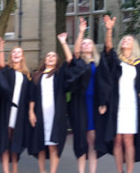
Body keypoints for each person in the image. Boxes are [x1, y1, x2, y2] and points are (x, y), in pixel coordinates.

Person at [28, 32, 86, 173]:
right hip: (40, 114)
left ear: (57, 60)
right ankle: (42, 171)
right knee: (41, 145)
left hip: (56, 115)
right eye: (48, 55)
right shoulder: (37, 76)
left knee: (54, 145)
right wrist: (31, 112)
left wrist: (63, 42)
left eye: (54, 56)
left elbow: (70, 59)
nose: (51, 57)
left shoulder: (59, 74)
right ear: (44, 60)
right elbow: (32, 96)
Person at [99, 15, 140, 173]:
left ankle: (129, 171)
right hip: (117, 105)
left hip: (131, 105)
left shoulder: (138, 64)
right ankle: (119, 171)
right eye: (124, 40)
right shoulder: (116, 60)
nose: (126, 41)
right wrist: (109, 30)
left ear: (133, 44)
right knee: (118, 141)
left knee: (129, 141)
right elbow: (108, 49)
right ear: (121, 45)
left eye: (129, 39)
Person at [0, 36, 31, 173]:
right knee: (5, 141)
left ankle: (14, 170)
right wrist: (1, 48)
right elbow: (0, 64)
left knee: (15, 141)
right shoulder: (7, 71)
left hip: (19, 111)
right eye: (14, 53)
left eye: (19, 53)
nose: (16, 54)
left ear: (22, 57)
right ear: (11, 56)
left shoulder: (26, 75)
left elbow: (29, 96)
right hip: (7, 110)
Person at [70, 17, 100, 173]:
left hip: (94, 103)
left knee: (92, 140)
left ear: (93, 47)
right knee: (81, 139)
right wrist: (81, 32)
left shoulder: (97, 63)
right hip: (80, 102)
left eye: (89, 43)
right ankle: (81, 171)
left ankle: (92, 171)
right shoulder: (78, 62)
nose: (86, 45)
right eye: (84, 44)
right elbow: (75, 51)